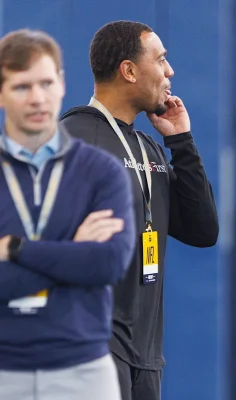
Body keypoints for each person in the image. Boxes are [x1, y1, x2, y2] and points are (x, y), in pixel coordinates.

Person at [59, 20, 219, 400]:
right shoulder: (71, 141)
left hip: (145, 359)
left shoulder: (149, 148)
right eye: (160, 60)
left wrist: (181, 141)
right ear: (129, 71)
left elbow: (202, 230)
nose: (170, 71)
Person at [0, 28, 136, 400]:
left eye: (46, 83)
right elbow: (87, 262)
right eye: (21, 87)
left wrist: (17, 250)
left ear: (61, 83)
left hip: (83, 372)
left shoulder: (101, 172)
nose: (37, 98)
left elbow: (107, 263)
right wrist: (72, 250)